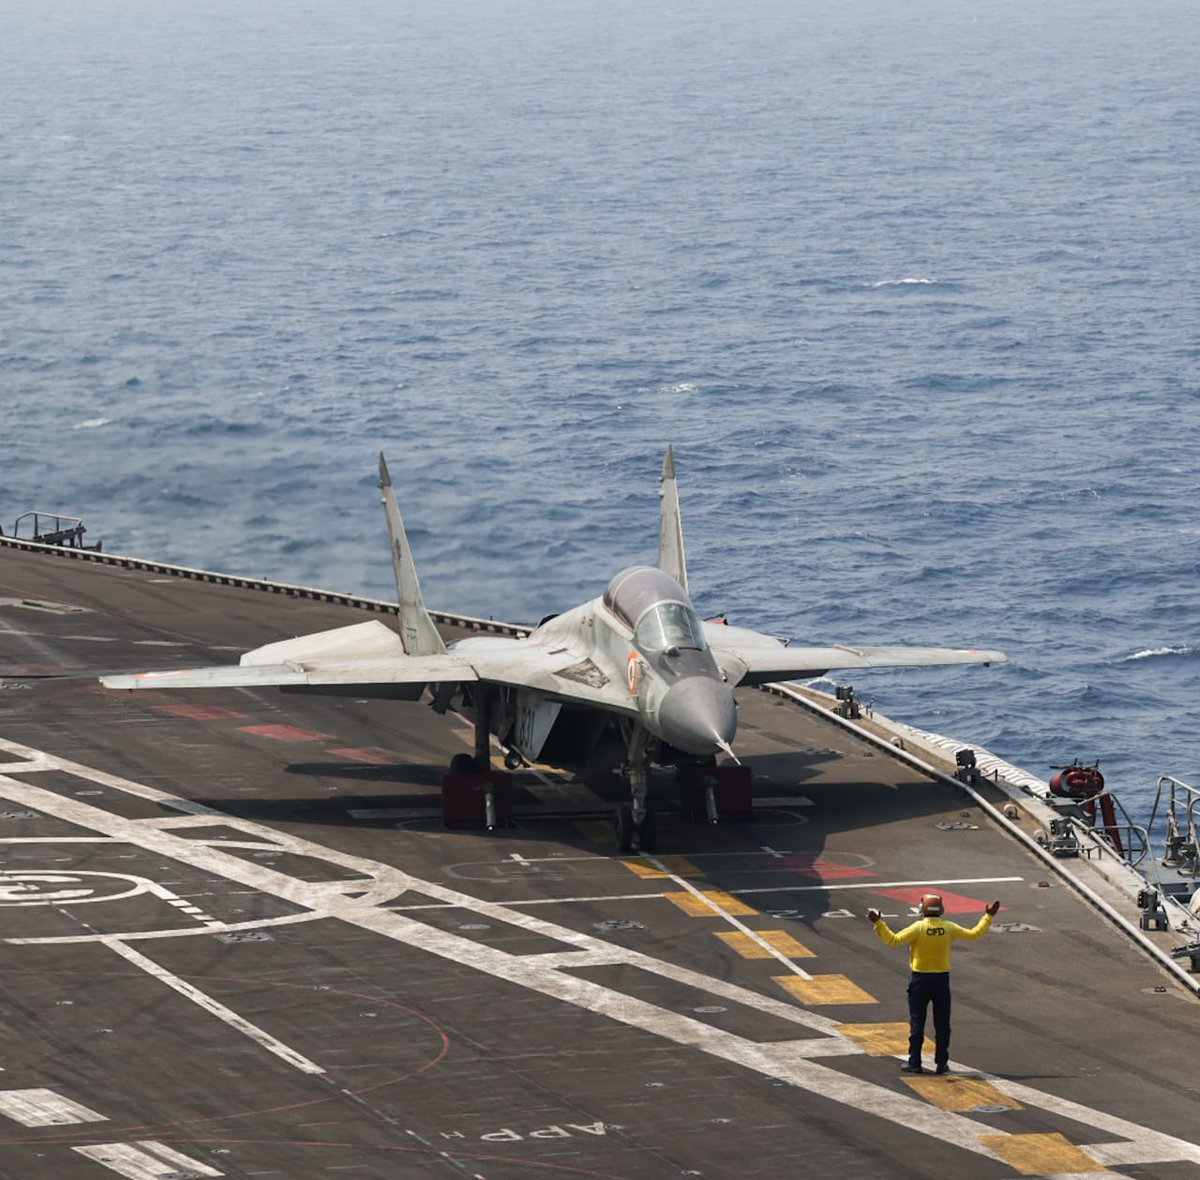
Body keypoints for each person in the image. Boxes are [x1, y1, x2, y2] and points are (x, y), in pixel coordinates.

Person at [866, 893, 1000, 1075]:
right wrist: (988, 916)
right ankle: (942, 1063)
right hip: (941, 980)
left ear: (922, 909)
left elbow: (893, 940)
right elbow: (974, 934)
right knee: (942, 1024)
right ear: (941, 910)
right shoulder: (948, 927)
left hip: (920, 980)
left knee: (917, 1022)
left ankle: (915, 1062)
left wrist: (878, 922)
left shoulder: (918, 927)